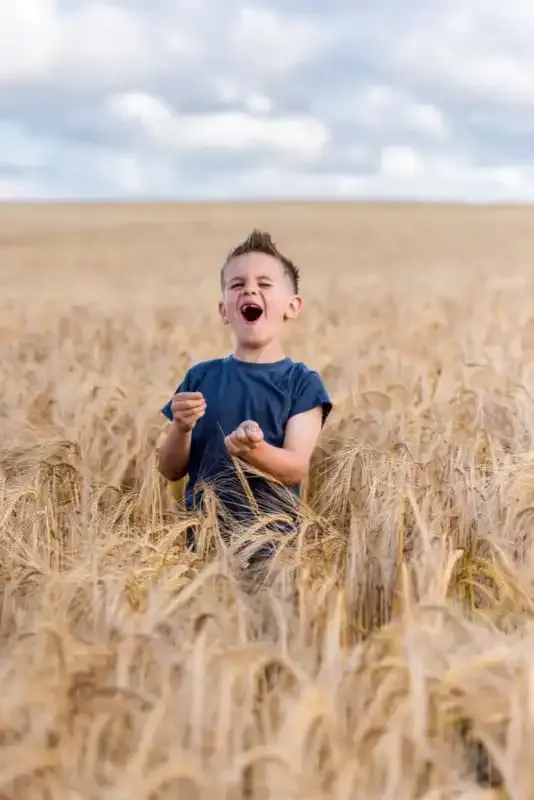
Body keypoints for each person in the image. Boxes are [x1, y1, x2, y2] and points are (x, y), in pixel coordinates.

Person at [157, 229, 332, 558]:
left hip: (272, 551)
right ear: (225, 310)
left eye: (265, 284)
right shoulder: (200, 376)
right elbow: (170, 469)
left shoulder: (303, 383)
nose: (250, 288)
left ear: (292, 307)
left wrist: (254, 451)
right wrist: (180, 427)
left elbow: (295, 468)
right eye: (237, 285)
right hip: (201, 548)